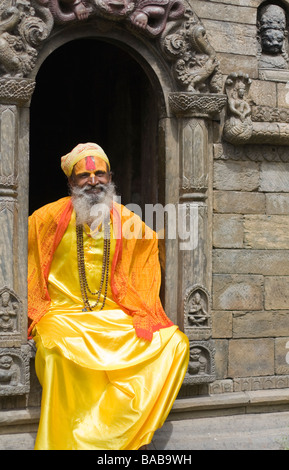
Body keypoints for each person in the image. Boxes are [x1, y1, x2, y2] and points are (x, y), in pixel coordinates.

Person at [28, 142, 189, 450]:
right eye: (84, 175)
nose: (93, 181)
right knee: (56, 352)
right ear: (71, 183)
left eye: (99, 173)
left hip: (112, 314)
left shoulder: (127, 220)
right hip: (62, 315)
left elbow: (147, 253)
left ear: (110, 177)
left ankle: (115, 433)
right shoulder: (45, 219)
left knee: (175, 343)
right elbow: (21, 259)